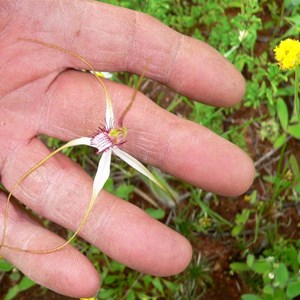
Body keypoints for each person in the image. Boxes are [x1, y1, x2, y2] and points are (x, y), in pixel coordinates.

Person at [0, 0, 255, 298]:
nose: (120, 132)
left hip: (108, 146)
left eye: (120, 133)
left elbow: (129, 154)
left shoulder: (113, 133)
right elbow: (105, 95)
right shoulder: (109, 116)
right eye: (119, 131)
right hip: (101, 139)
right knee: (77, 159)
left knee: (101, 186)